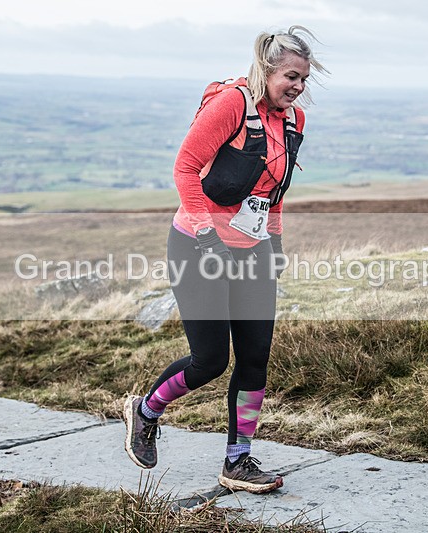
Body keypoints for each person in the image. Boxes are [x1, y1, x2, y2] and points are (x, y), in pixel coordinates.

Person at [123, 25, 328, 494]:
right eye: (290, 76)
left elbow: (271, 192)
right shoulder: (232, 105)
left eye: (304, 79)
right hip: (197, 248)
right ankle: (146, 411)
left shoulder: (293, 121)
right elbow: (185, 168)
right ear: (267, 70)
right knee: (210, 360)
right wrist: (204, 234)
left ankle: (238, 461)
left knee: (255, 357)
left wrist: (273, 244)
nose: (297, 87)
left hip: (251, 250)